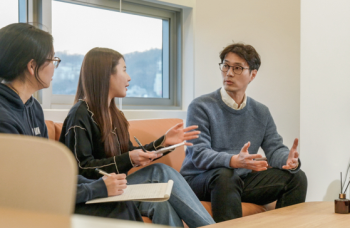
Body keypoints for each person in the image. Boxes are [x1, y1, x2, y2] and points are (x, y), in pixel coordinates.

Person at [0, 23, 142, 222]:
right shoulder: (4, 117)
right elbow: (25, 189)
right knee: (118, 209)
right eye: (52, 60)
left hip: (42, 195)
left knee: (121, 203)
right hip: (23, 205)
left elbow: (48, 172)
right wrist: (96, 188)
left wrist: (99, 183)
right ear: (32, 66)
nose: (54, 67)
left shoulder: (33, 107)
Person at [59, 47, 215, 228]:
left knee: (162, 204)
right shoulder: (80, 114)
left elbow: (130, 153)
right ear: (105, 75)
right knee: (161, 172)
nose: (129, 77)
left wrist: (162, 143)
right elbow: (81, 168)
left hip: (119, 189)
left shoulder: (115, 115)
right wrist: (128, 159)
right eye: (124, 70)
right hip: (94, 194)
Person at [180, 43, 308, 222]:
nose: (229, 73)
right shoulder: (201, 106)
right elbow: (199, 155)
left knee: (297, 177)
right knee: (225, 175)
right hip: (200, 180)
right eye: (226, 65)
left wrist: (288, 160)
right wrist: (233, 161)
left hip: (237, 181)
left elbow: (274, 148)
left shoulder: (261, 112)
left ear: (252, 75)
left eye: (238, 68)